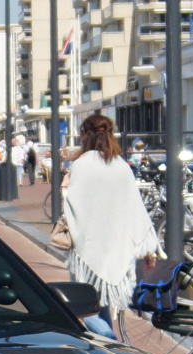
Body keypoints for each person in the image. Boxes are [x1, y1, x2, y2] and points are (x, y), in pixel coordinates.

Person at [62, 114, 159, 339]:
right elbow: (135, 207)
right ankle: (110, 351)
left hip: (87, 248)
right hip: (116, 246)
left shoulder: (81, 166)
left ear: (85, 136)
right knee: (101, 302)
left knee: (84, 305)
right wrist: (147, 247)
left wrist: (65, 188)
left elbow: (73, 207)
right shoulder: (120, 166)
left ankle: (112, 343)